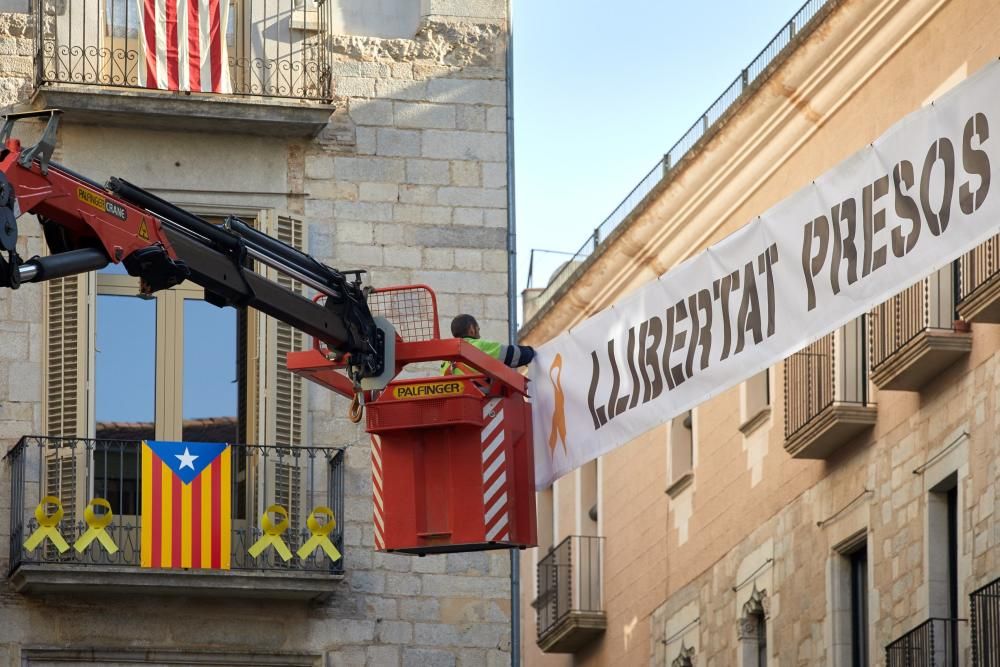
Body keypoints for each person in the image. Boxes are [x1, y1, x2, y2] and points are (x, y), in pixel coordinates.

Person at [442, 314, 535, 375]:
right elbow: (512, 355)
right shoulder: (478, 346)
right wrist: (530, 352)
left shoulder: (446, 360)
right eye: (477, 328)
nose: (479, 332)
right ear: (471, 329)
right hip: (481, 399)